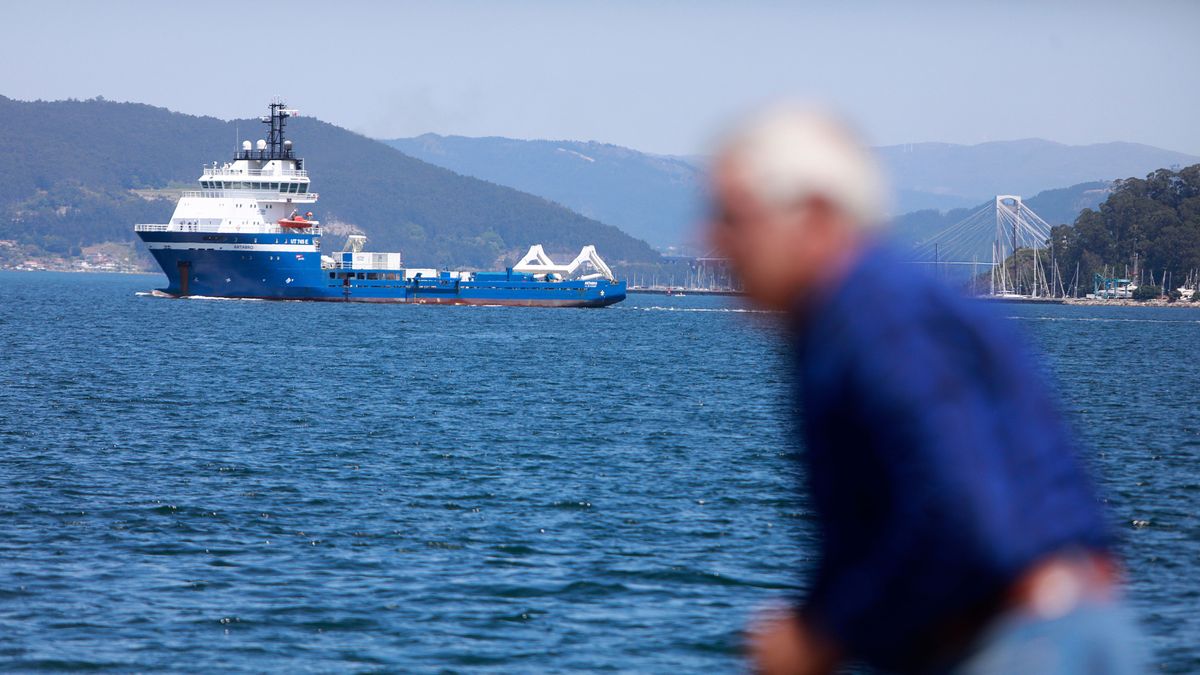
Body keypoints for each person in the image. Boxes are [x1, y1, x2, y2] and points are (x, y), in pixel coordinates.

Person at [708, 106, 1143, 675]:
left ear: (813, 214)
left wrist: (824, 634)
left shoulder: (876, 320)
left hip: (1020, 644)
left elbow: (957, 515)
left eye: (732, 216)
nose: (712, 240)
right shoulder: (858, 315)